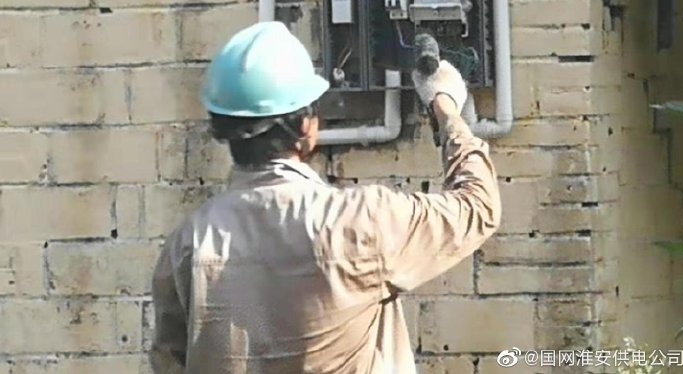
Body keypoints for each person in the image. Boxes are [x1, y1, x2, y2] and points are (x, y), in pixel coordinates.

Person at [150, 21, 501, 374]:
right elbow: (477, 205)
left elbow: (169, 361)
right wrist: (445, 107)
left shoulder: (187, 243)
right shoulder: (359, 220)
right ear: (306, 126)